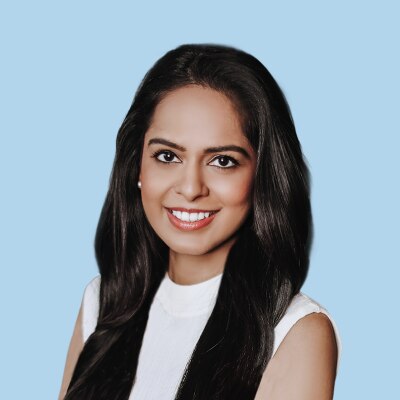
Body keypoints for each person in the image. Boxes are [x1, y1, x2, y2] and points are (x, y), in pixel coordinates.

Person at [59, 43, 342, 399]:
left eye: (222, 161)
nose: (191, 188)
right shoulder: (102, 302)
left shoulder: (295, 331)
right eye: (167, 156)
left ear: (263, 176)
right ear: (137, 168)